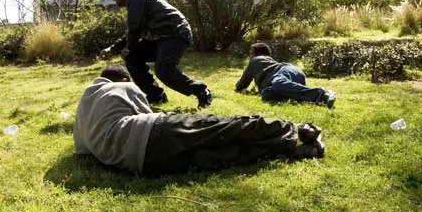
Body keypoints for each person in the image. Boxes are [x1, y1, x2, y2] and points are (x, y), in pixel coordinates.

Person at [73, 65, 325, 176]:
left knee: (224, 156)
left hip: (142, 164)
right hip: (152, 132)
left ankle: (298, 151)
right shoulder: (121, 87)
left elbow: (81, 153)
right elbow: (145, 115)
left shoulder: (83, 108)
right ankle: (297, 130)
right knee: (226, 127)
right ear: (124, 80)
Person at [100, 0, 213, 108]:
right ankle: (156, 95)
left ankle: (202, 91)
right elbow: (131, 32)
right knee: (133, 56)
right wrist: (112, 48)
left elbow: (134, 27)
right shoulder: (137, 0)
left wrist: (129, 47)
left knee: (163, 69)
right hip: (161, 38)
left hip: (175, 34)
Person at [236, 43, 336, 108]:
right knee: (266, 94)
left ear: (256, 54)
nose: (250, 56)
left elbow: (240, 85)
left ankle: (322, 95)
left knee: (278, 84)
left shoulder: (256, 60)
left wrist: (246, 71)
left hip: (284, 71)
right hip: (294, 75)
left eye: (251, 53)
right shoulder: (267, 62)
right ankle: (306, 97)